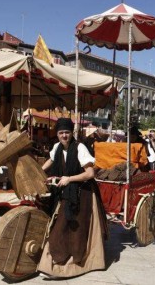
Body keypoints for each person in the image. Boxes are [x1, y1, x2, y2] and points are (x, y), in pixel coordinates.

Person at [38, 118, 108, 279]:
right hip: (65, 191)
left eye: (67, 133)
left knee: (69, 228)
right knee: (61, 224)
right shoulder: (56, 147)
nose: (64, 136)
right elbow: (52, 160)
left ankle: (64, 264)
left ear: (72, 133)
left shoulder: (80, 148)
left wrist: (69, 178)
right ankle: (56, 261)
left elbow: (90, 173)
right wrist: (40, 173)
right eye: (61, 133)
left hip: (82, 193)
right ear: (57, 134)